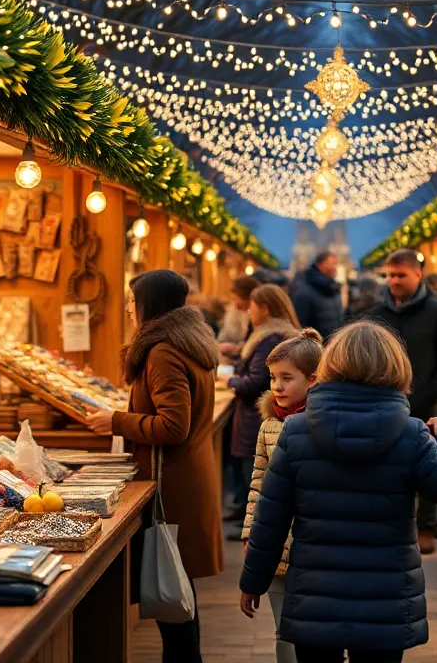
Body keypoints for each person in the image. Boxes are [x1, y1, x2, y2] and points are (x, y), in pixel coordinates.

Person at [239, 321, 437, 662]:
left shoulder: (297, 431)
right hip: (385, 600)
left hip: (314, 597)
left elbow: (270, 517)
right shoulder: (410, 435)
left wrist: (253, 581)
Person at [84, 270, 221, 663]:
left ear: (149, 304)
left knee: (170, 587)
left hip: (170, 483)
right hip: (185, 476)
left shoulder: (162, 351)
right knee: (177, 587)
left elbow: (172, 426)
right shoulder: (186, 342)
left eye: (132, 301)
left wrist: (116, 420)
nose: (128, 309)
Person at [368, 248, 437, 553]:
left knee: (428, 464)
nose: (394, 281)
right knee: (386, 465)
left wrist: (431, 391)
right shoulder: (378, 313)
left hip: (426, 403)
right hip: (383, 404)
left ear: (417, 274)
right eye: (390, 275)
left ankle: (426, 525)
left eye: (400, 275)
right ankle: (390, 524)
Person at [241, 329, 324, 663]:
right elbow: (258, 482)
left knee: (314, 632)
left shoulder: (320, 425)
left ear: (313, 379)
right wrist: (250, 531)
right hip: (275, 546)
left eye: (287, 378)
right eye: (273, 377)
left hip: (311, 548)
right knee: (284, 630)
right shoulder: (269, 425)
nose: (276, 386)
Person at [224, 285, 301, 528]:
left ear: (265, 308)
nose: (249, 312)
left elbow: (257, 381)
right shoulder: (275, 334)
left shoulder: (271, 337)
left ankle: (255, 526)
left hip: (255, 415)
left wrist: (229, 380)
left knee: (258, 476)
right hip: (259, 414)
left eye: (252, 308)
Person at [291, 250, 345, 338]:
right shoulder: (305, 288)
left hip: (333, 345)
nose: (335, 268)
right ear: (321, 265)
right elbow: (299, 325)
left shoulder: (333, 288)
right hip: (315, 347)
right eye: (333, 264)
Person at [219, 275, 263, 361]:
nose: (235, 304)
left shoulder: (258, 321)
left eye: (236, 299)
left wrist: (236, 349)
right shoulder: (234, 313)